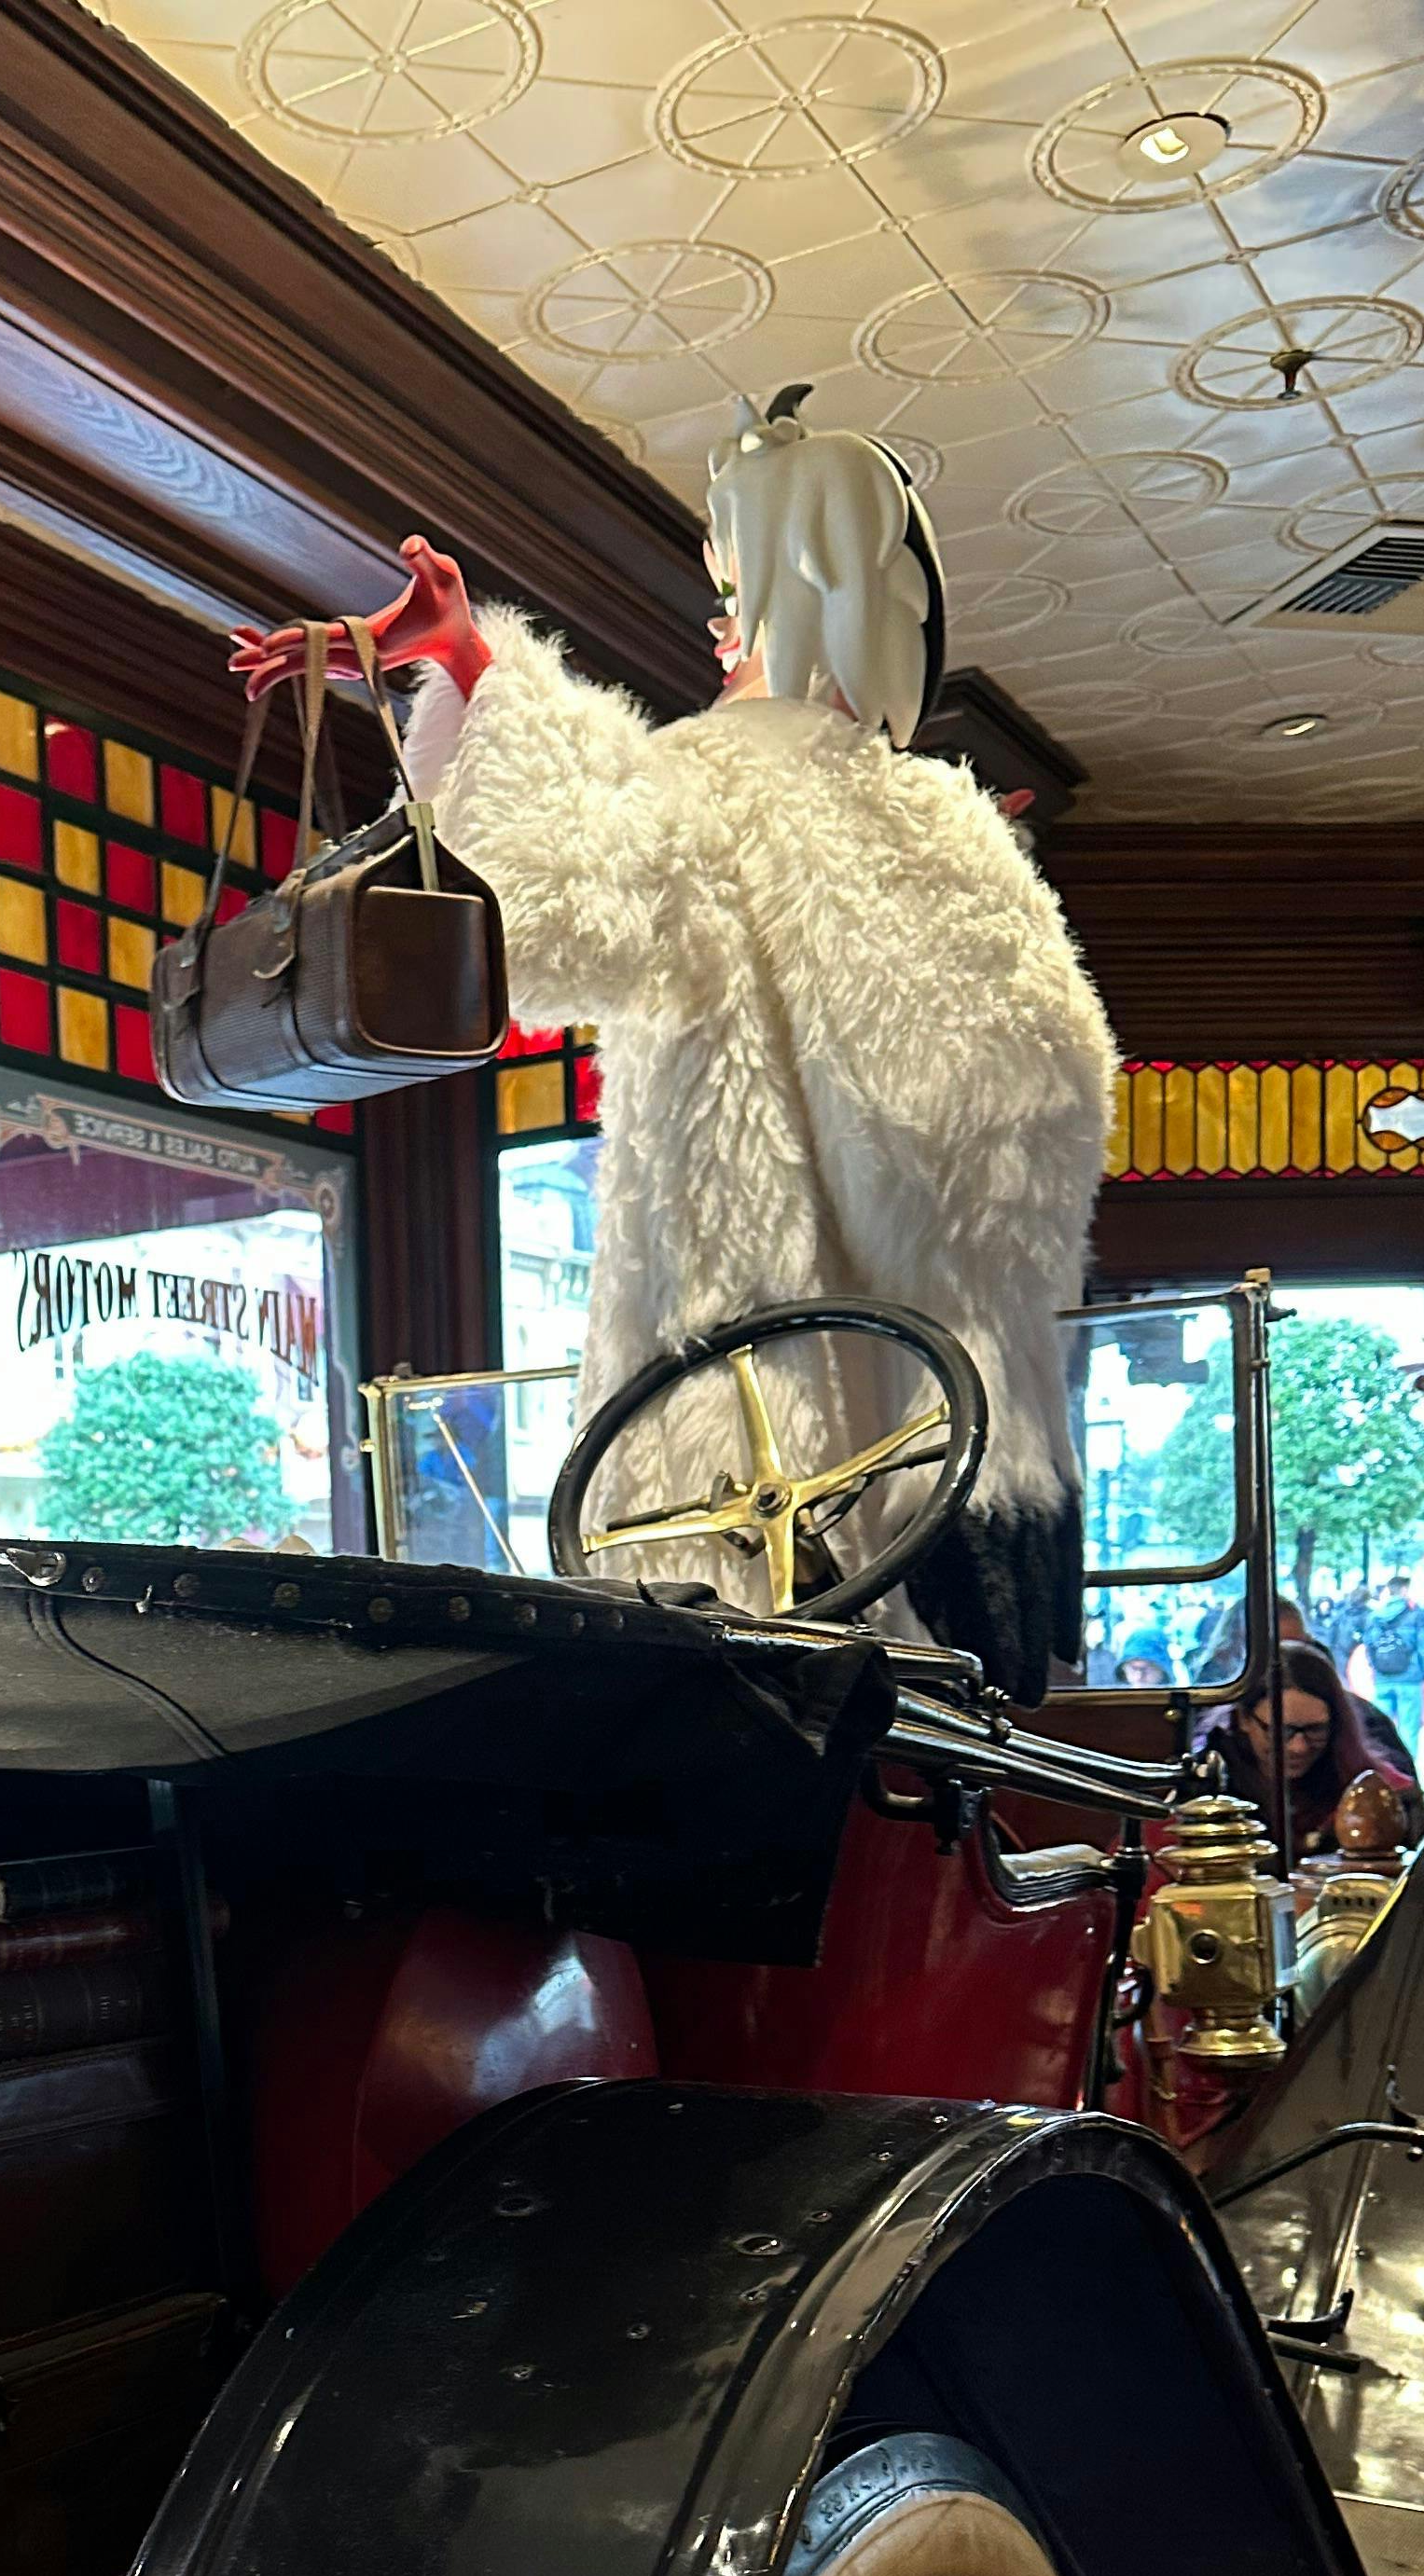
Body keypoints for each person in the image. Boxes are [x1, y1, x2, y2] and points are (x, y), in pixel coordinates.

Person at [231, 387, 1116, 1702]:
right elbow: (1030, 1132)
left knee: (730, 1724)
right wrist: (986, 1395)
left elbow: (541, 923)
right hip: (941, 1440)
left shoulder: (717, 785)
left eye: (735, 593)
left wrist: (480, 672)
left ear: (804, 594)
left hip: (751, 1434)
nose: (716, 626)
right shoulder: (959, 838)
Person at [1197, 1640, 1424, 1858]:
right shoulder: (1206, 1787)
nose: (1299, 1747)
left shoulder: (1378, 1790)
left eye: (1315, 1729)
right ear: (1243, 1719)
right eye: (1282, 1731)